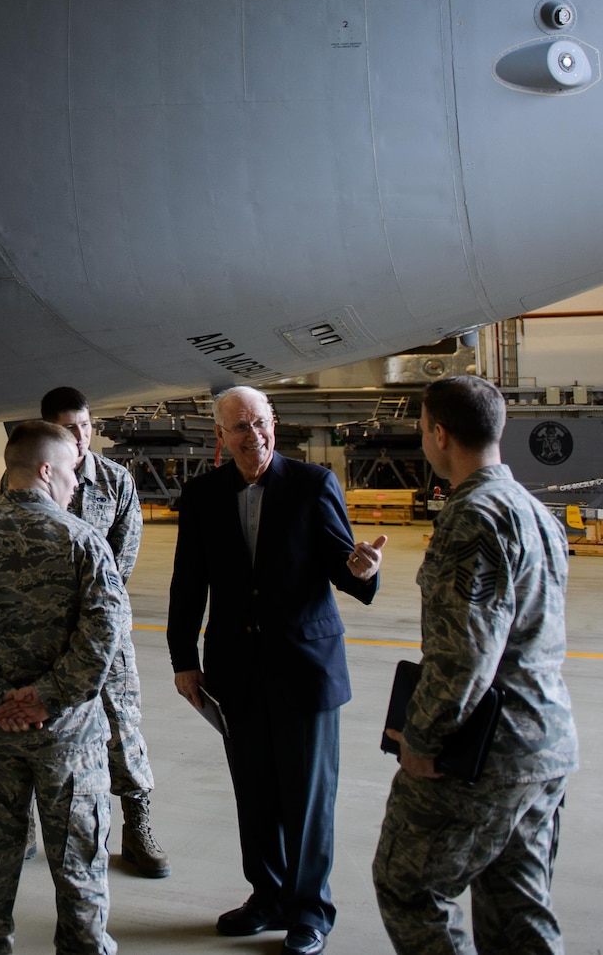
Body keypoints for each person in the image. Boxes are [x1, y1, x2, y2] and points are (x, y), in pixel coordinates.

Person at [167, 386, 385, 955]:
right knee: (255, 793)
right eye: (238, 426)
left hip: (305, 668)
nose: (252, 435)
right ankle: (267, 896)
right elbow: (188, 583)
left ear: (274, 422)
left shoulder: (313, 485)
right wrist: (183, 660)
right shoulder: (203, 495)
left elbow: (344, 567)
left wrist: (361, 569)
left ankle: (309, 910)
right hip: (235, 672)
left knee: (308, 798)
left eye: (260, 422)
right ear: (221, 436)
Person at [373, 375, 577, 955]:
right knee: (517, 908)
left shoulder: (472, 517)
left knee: (408, 887)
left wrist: (423, 738)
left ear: (439, 434)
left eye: (421, 431)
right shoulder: (536, 511)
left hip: (485, 753)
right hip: (545, 744)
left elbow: (465, 655)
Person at [0, 419, 130, 955]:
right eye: (70, 473)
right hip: (69, 739)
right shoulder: (83, 543)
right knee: (79, 859)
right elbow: (104, 634)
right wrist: (49, 697)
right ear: (46, 471)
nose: (75, 485)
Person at [39, 386, 169, 876]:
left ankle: (137, 827)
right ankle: (30, 822)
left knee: (121, 725)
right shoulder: (31, 477)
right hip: (42, 632)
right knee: (37, 725)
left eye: (86, 426)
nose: (81, 436)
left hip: (103, 632)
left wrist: (88, 619)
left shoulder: (116, 482)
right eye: (70, 428)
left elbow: (120, 566)